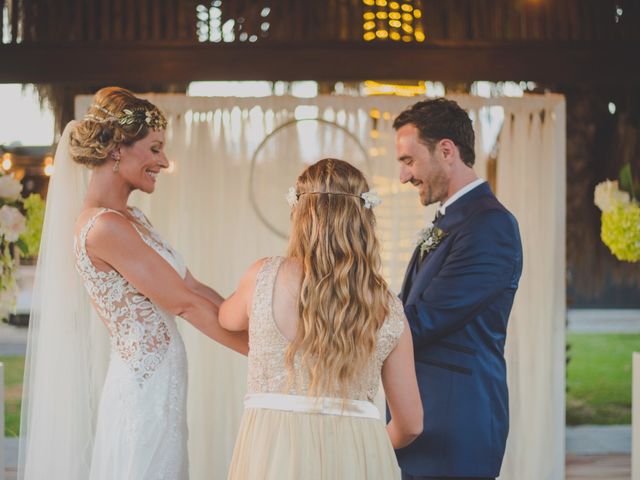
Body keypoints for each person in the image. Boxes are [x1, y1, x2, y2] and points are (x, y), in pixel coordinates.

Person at [18, 87, 247, 480]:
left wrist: (254, 323)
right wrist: (262, 353)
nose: (164, 161)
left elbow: (192, 286)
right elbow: (183, 304)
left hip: (163, 386)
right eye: (155, 148)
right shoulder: (104, 227)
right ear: (117, 149)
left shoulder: (133, 219)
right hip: (142, 393)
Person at [219, 158, 423, 479]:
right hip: (357, 458)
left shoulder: (262, 277)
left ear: (299, 215)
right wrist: (366, 444)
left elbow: (226, 319)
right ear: (364, 219)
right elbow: (411, 423)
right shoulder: (387, 305)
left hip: (274, 455)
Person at [392, 98, 523, 480]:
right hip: (427, 423)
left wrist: (334, 316)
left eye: (409, 160)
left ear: (446, 150)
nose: (403, 176)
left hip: (455, 427)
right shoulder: (454, 221)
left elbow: (420, 321)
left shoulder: (489, 226)